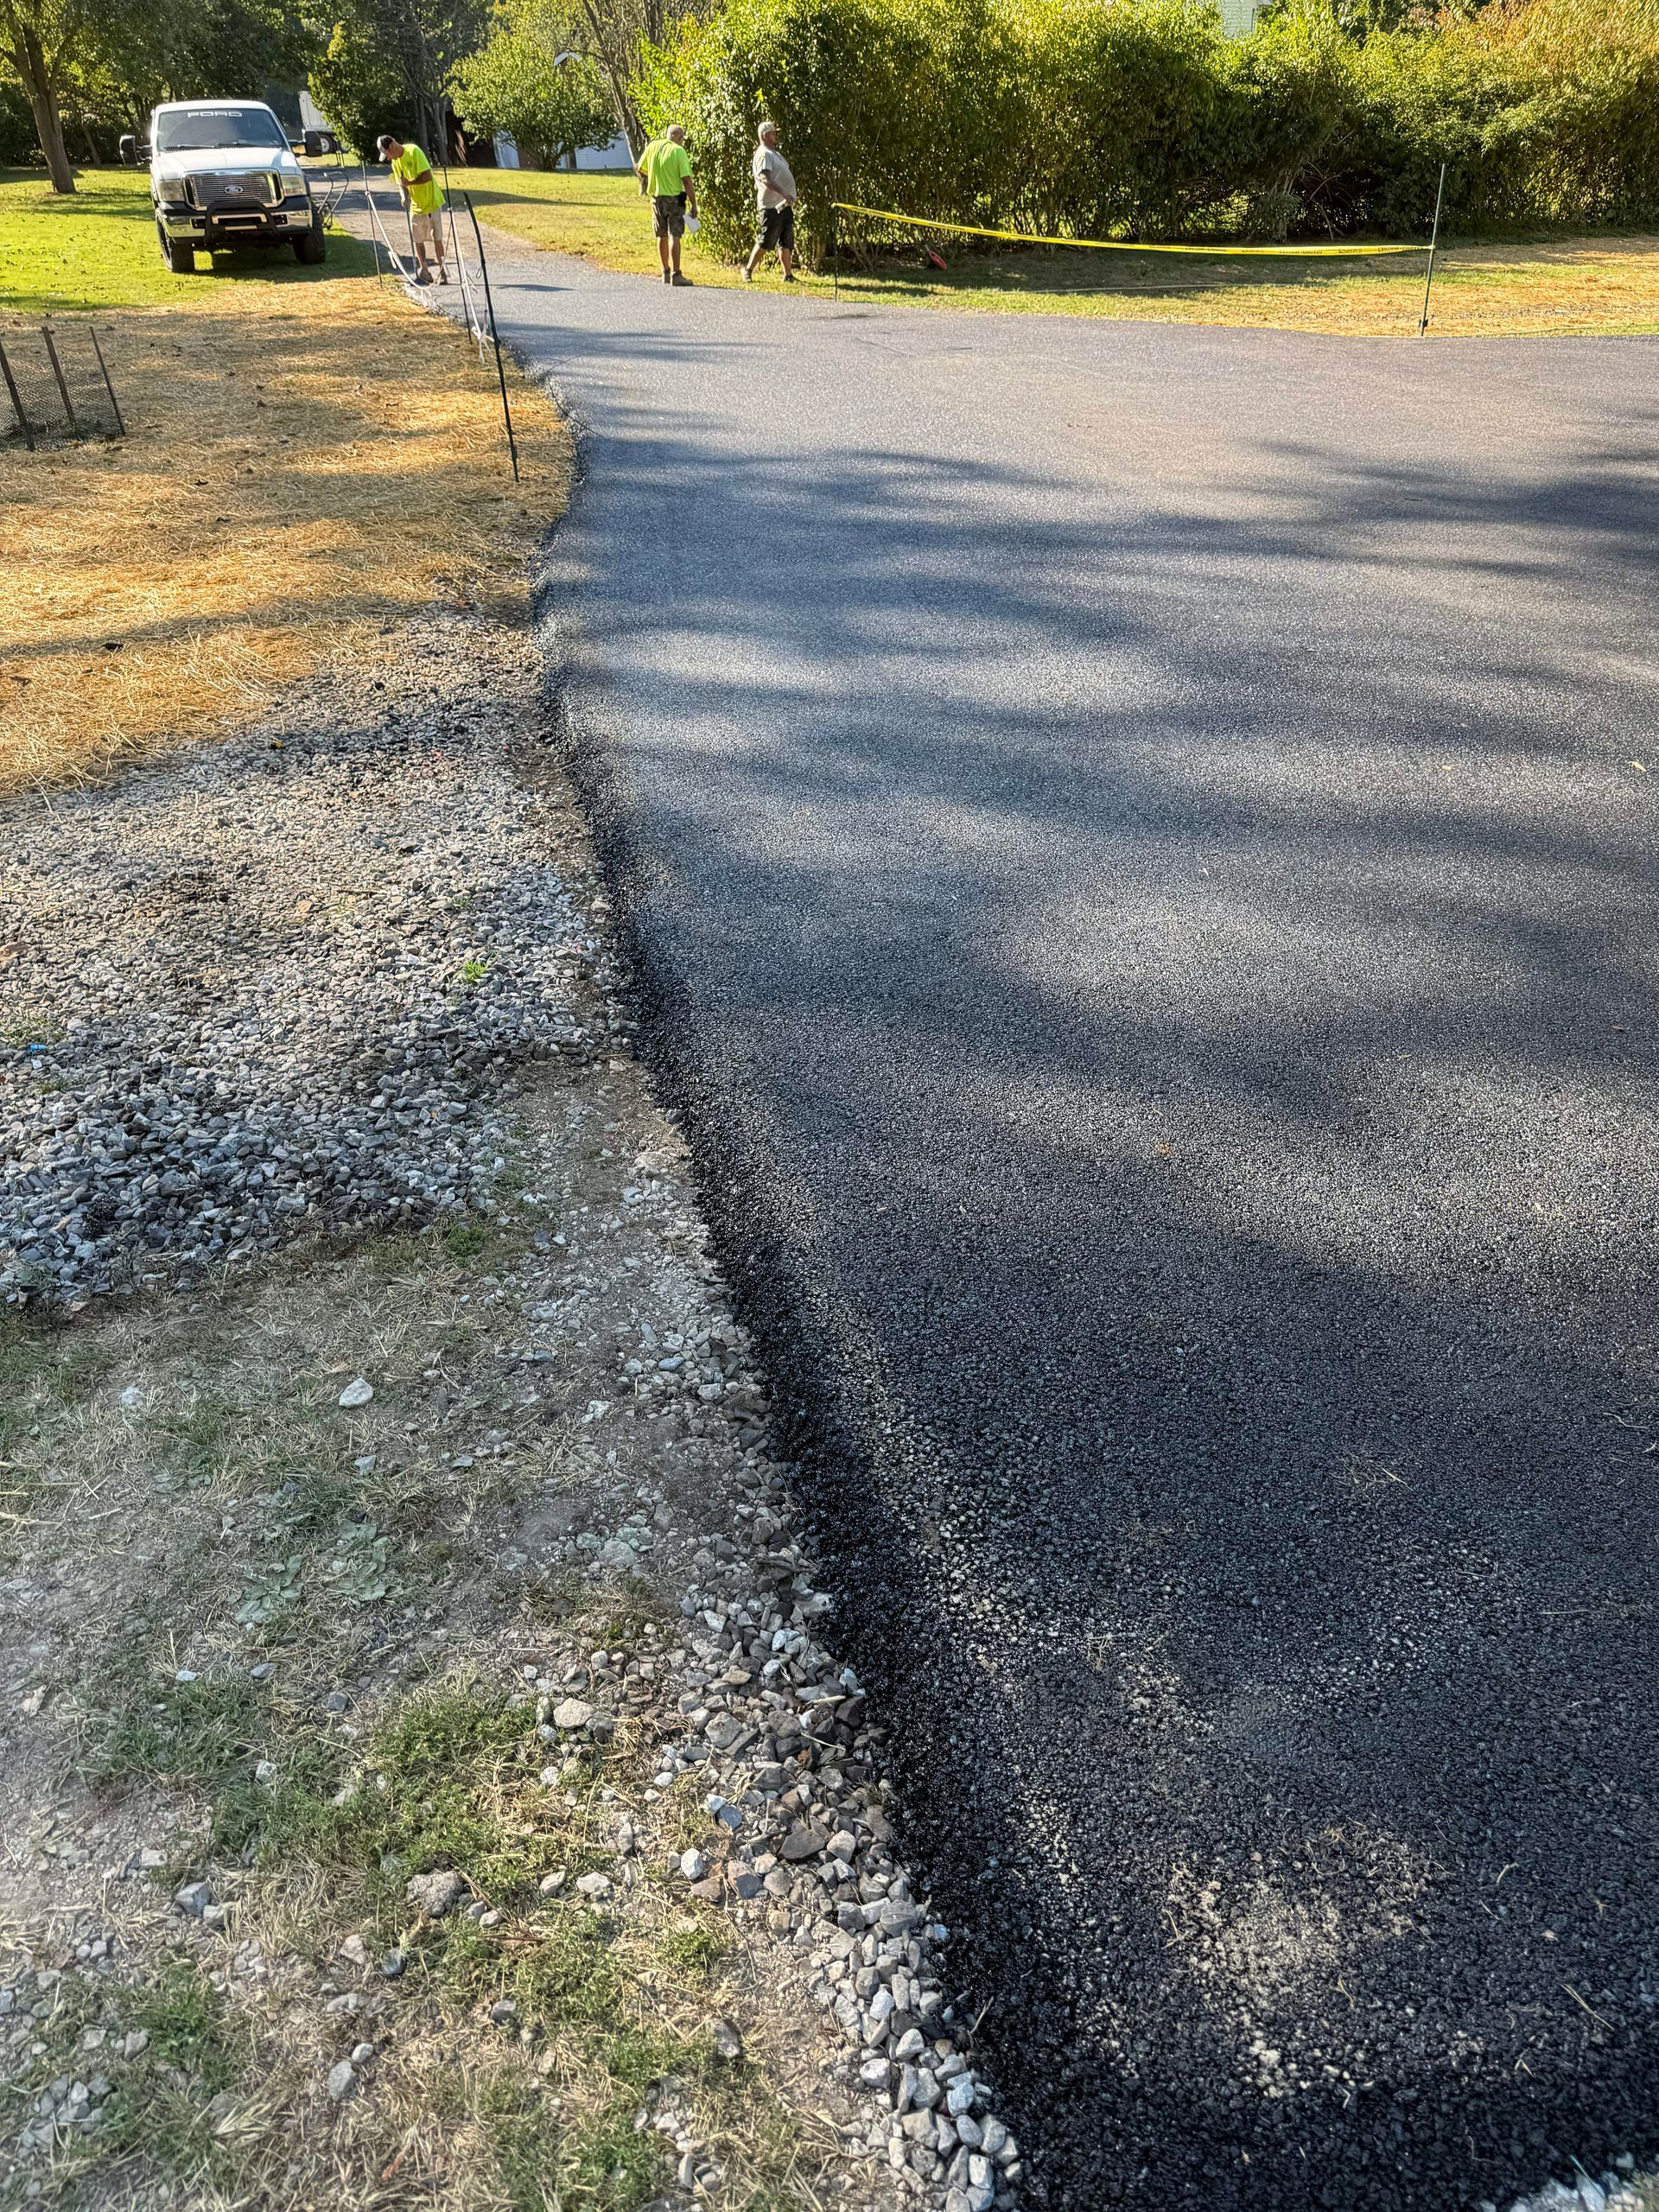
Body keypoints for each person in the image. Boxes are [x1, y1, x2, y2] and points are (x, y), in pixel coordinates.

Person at [378, 133, 447, 287]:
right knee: (418, 240)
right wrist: (403, 195)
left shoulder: (414, 152)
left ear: (392, 146)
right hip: (416, 206)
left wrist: (410, 183)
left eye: (387, 154)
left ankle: (442, 272)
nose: (388, 158)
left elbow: (427, 176)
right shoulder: (395, 163)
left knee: (437, 238)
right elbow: (400, 183)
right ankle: (425, 271)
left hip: (432, 201)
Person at [635, 124, 697, 287]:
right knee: (674, 235)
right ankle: (676, 274)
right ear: (679, 138)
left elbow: (640, 168)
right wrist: (694, 204)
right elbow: (686, 180)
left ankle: (665, 271)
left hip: (656, 198)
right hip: (674, 199)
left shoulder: (653, 146)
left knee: (661, 234)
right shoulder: (678, 151)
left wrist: (656, 175)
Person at [745, 120, 798, 284]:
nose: (776, 136)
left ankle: (787, 275)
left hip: (784, 204)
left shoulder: (774, 153)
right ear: (765, 136)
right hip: (771, 205)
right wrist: (783, 192)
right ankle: (747, 270)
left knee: (786, 240)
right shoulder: (763, 154)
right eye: (774, 133)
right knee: (766, 240)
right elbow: (765, 177)